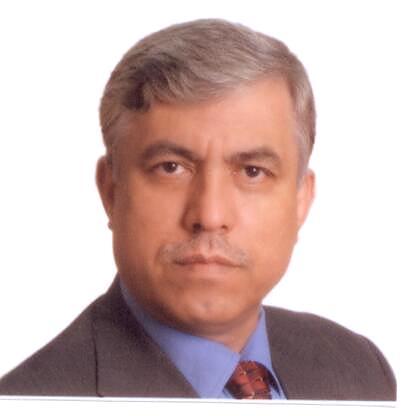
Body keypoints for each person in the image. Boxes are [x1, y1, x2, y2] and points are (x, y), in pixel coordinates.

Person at [0, 18, 396, 400]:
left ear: (300, 200)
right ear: (110, 191)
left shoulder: (361, 370)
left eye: (253, 171)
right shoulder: (29, 402)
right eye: (171, 168)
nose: (209, 215)